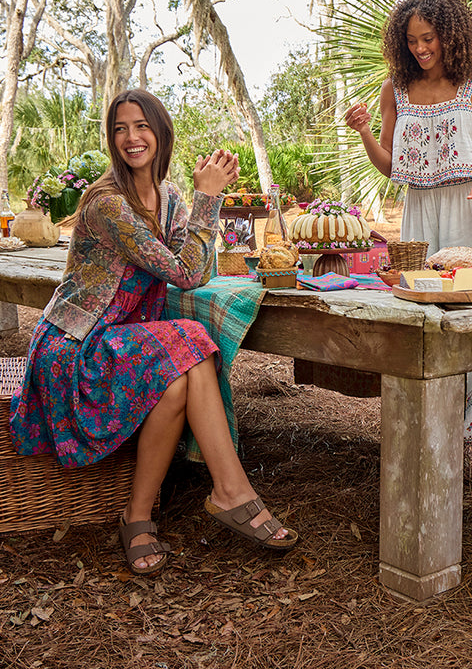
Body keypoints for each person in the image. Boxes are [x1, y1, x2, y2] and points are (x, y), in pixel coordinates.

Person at [9, 89, 298, 574]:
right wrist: (209, 198)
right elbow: (186, 274)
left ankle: (137, 516)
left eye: (141, 126)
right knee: (191, 342)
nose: (131, 137)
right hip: (76, 345)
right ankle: (231, 491)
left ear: (160, 133)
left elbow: (198, 267)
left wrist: (202, 199)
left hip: (123, 339)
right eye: (120, 129)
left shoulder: (168, 199)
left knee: (183, 373)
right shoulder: (106, 203)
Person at [344, 0, 472, 444]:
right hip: (417, 207)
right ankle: (421, 419)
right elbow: (391, 163)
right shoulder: (394, 90)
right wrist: (363, 134)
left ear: (450, 36)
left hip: (467, 206)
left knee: (469, 306)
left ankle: (468, 430)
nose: (420, 49)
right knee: (418, 304)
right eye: (412, 40)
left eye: (429, 38)